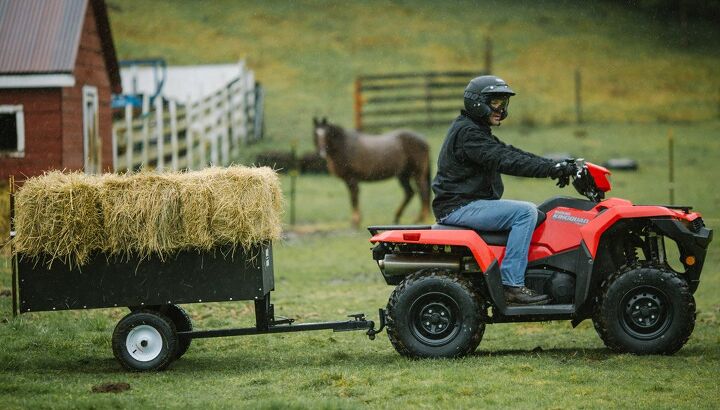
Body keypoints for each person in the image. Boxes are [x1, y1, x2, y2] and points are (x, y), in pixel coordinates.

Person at [432, 75, 575, 305]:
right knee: (525, 213)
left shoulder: (473, 129)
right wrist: (551, 169)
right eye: (495, 102)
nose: (500, 109)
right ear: (477, 102)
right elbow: (506, 160)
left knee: (531, 210)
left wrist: (553, 166)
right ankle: (512, 284)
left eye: (503, 103)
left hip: (465, 203)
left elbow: (510, 152)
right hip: (459, 207)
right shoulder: (469, 134)